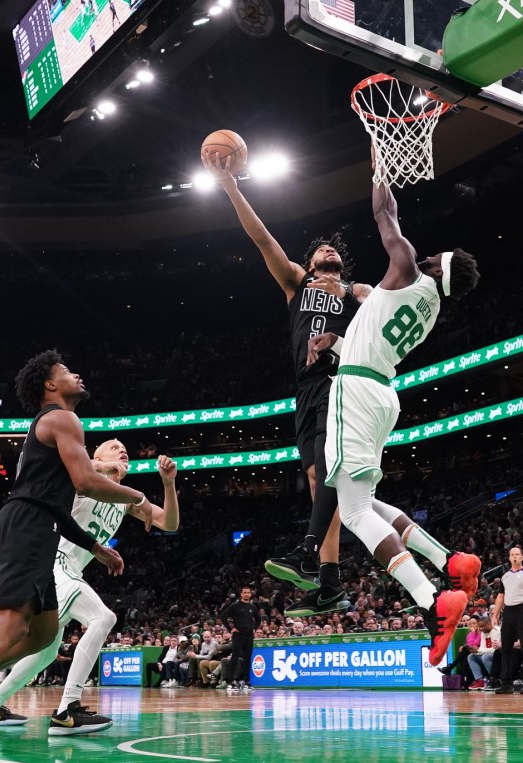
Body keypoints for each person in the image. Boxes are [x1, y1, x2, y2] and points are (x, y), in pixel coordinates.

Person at [0, 351, 152, 752]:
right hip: (28, 525)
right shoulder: (62, 418)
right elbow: (87, 482)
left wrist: (95, 547)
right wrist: (138, 495)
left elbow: (58, 505)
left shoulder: (55, 425)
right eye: (67, 371)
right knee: (10, 624)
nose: (77, 374)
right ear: (50, 385)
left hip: (39, 523)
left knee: (42, 633)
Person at [307, 180, 481, 667]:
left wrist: (380, 152)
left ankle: (431, 600)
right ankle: (451, 562)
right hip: (380, 390)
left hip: (358, 393)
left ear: (433, 265)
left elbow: (385, 211)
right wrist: (335, 344)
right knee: (362, 500)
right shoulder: (429, 309)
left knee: (355, 513)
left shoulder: (405, 264)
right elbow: (372, 335)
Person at [203, 150, 368, 617]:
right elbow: (261, 238)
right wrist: (231, 186)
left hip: (340, 384)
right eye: (322, 250)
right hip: (306, 390)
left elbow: (381, 313)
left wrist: (364, 297)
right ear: (310, 263)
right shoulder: (297, 285)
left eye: (334, 250)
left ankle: (311, 553)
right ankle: (329, 578)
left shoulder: (357, 292)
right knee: (319, 479)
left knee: (327, 474)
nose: (330, 251)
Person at [0, 440, 178, 734]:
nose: (122, 449)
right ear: (97, 456)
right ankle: (68, 710)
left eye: (124, 447)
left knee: (44, 651)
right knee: (103, 618)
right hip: (53, 560)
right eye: (114, 446)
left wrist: (168, 484)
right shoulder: (87, 478)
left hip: (66, 569)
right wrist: (104, 467)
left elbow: (169, 523)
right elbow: (73, 467)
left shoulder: (123, 498)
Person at [493, 547, 523, 694]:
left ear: (522, 557)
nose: (515, 557)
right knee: (505, 647)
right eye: (512, 555)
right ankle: (506, 683)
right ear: (509, 558)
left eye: (517, 554)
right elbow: (500, 597)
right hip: (508, 611)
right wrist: (495, 614)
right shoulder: (505, 576)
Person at [221, 586, 260, 694]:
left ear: (250, 594)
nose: (247, 594)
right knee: (235, 658)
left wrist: (254, 629)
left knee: (248, 658)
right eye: (245, 592)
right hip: (238, 635)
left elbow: (258, 619)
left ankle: (246, 682)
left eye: (248, 592)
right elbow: (223, 617)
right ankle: (231, 682)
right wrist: (231, 628)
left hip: (249, 636)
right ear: (241, 594)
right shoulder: (235, 606)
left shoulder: (253, 607)